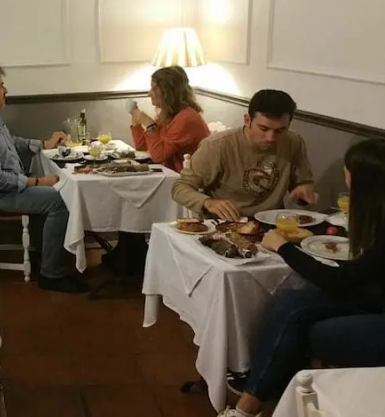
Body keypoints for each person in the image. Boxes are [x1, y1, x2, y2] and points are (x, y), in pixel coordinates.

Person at [217, 138, 385, 417]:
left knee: (307, 329)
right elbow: (359, 274)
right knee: (290, 301)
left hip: (377, 307)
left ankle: (253, 399)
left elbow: (340, 280)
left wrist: (283, 247)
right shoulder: (376, 212)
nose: (343, 174)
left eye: (347, 170)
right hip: (370, 296)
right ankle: (255, 397)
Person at [0, 65, 87, 293]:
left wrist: (43, 144)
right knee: (60, 201)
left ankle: (41, 255)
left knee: (58, 192)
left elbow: (11, 142)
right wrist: (38, 182)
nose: (6, 90)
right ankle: (51, 274)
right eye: (1, 86)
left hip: (7, 186)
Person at [171, 89, 318, 221]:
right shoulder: (218, 145)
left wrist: (303, 192)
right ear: (247, 120)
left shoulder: (294, 142)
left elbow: (302, 183)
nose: (270, 138)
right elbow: (180, 187)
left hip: (272, 223)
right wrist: (208, 202)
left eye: (280, 131)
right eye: (263, 128)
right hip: (227, 223)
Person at [129, 65, 210, 172]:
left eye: (155, 88)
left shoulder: (186, 117)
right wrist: (136, 121)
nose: (149, 93)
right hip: (172, 173)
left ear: (168, 92)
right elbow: (142, 147)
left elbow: (159, 156)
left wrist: (149, 124)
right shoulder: (168, 114)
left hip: (189, 176)